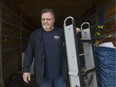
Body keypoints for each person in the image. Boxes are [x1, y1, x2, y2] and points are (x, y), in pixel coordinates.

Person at [22, 8, 80, 87]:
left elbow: (72, 43)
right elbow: (29, 53)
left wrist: (74, 32)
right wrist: (26, 70)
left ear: (54, 20)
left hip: (60, 74)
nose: (45, 21)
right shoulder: (35, 35)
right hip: (43, 75)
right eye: (43, 19)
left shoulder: (61, 33)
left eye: (48, 19)